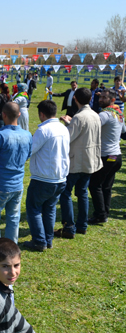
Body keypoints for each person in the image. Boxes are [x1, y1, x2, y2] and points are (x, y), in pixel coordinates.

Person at [56, 88, 102, 239]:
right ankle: (82, 225)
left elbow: (67, 137)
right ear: (91, 99)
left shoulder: (79, 117)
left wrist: (67, 125)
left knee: (65, 192)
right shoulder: (96, 115)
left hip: (76, 161)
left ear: (75, 99)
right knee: (82, 193)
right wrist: (71, 123)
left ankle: (69, 226)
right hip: (89, 161)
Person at [23, 100, 69, 251]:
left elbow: (30, 150)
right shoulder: (63, 129)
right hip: (60, 177)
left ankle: (39, 240)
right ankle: (48, 239)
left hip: (44, 178)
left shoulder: (44, 130)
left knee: (33, 208)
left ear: (42, 114)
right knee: (50, 208)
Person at [0, 103, 32, 243]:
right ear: (19, 114)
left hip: (0, 184)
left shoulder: (0, 136)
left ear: (3, 115)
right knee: (13, 218)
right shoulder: (28, 135)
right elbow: (28, 156)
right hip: (17, 185)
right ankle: (12, 249)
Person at [88, 89, 125, 224]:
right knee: (106, 186)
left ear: (113, 100)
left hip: (106, 157)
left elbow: (90, 126)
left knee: (94, 185)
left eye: (104, 97)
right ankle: (105, 212)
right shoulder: (119, 114)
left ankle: (100, 215)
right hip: (116, 157)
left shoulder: (106, 114)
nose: (100, 99)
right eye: (100, 97)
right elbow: (124, 132)